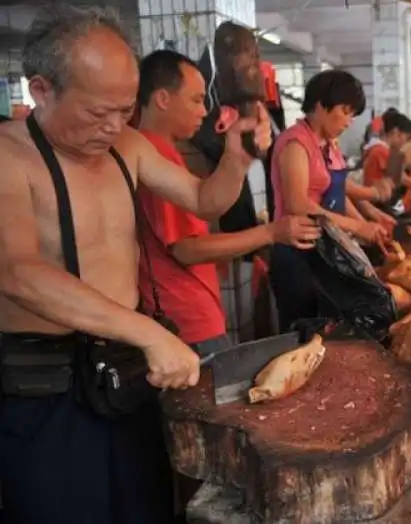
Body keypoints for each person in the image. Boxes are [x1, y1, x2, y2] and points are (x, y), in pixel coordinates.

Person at [0, 5, 271, 524]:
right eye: (97, 111)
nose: (112, 126)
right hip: (46, 383)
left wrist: (236, 159)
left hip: (125, 372)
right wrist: (149, 333)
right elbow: (19, 273)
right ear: (41, 89)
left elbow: (203, 199)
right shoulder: (10, 158)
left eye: (124, 110)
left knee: (145, 504)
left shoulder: (129, 145)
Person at [135, 49, 319, 356]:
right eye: (195, 100)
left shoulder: (163, 154)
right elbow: (187, 248)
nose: (204, 110)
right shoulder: (151, 152)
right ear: (163, 99)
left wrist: (239, 157)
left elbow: (207, 201)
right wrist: (271, 233)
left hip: (191, 311)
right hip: (185, 319)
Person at [270, 69, 386, 332]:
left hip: (328, 253)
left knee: (334, 333)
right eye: (345, 111)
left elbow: (336, 193)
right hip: (298, 254)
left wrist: (367, 226)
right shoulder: (296, 143)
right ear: (321, 105)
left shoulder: (329, 145)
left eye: (352, 115)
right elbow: (298, 205)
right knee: (304, 331)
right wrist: (357, 227)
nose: (349, 121)